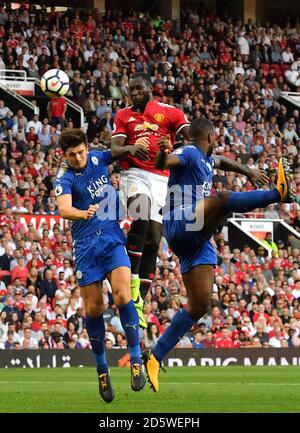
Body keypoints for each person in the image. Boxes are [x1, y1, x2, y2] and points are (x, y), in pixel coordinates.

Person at [142, 118, 295, 392]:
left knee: (200, 305)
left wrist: (247, 170)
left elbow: (223, 161)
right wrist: (163, 153)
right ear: (211, 136)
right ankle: (277, 194)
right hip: (180, 222)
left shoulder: (208, 160)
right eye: (217, 139)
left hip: (197, 240)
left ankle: (154, 356)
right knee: (223, 200)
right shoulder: (188, 152)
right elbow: (163, 164)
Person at [55, 128, 145, 403]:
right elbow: (63, 209)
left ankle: (137, 360)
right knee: (94, 308)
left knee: (122, 295)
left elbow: (113, 153)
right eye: (72, 155)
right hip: (85, 247)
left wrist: (132, 147)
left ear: (86, 147)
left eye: (81, 151)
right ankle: (102, 370)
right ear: (65, 155)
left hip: (111, 238)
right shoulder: (65, 178)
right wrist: (83, 213)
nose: (79, 157)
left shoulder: (97, 158)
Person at [111, 73, 190, 328]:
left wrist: (176, 143)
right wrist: (130, 149)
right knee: (141, 215)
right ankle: (132, 277)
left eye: (138, 88)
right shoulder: (124, 115)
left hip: (162, 179)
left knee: (154, 239)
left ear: (149, 89)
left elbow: (189, 133)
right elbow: (114, 150)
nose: (133, 93)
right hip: (133, 174)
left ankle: (139, 302)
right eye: (130, 89)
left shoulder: (168, 113)